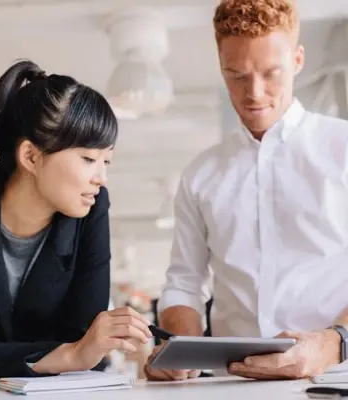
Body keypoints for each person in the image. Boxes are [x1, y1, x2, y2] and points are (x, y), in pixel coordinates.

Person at [145, 0, 348, 381]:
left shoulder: (344, 150)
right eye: (236, 75)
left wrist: (333, 342)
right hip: (231, 385)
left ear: (298, 60)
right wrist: (180, 349)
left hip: (338, 379)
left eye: (271, 73)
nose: (254, 93)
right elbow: (184, 283)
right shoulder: (200, 175)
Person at [0, 60, 152, 387]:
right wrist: (69, 355)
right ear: (30, 156)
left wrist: (80, 351)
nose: (101, 177)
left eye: (107, 160)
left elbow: (86, 341)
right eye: (88, 159)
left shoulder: (92, 208)